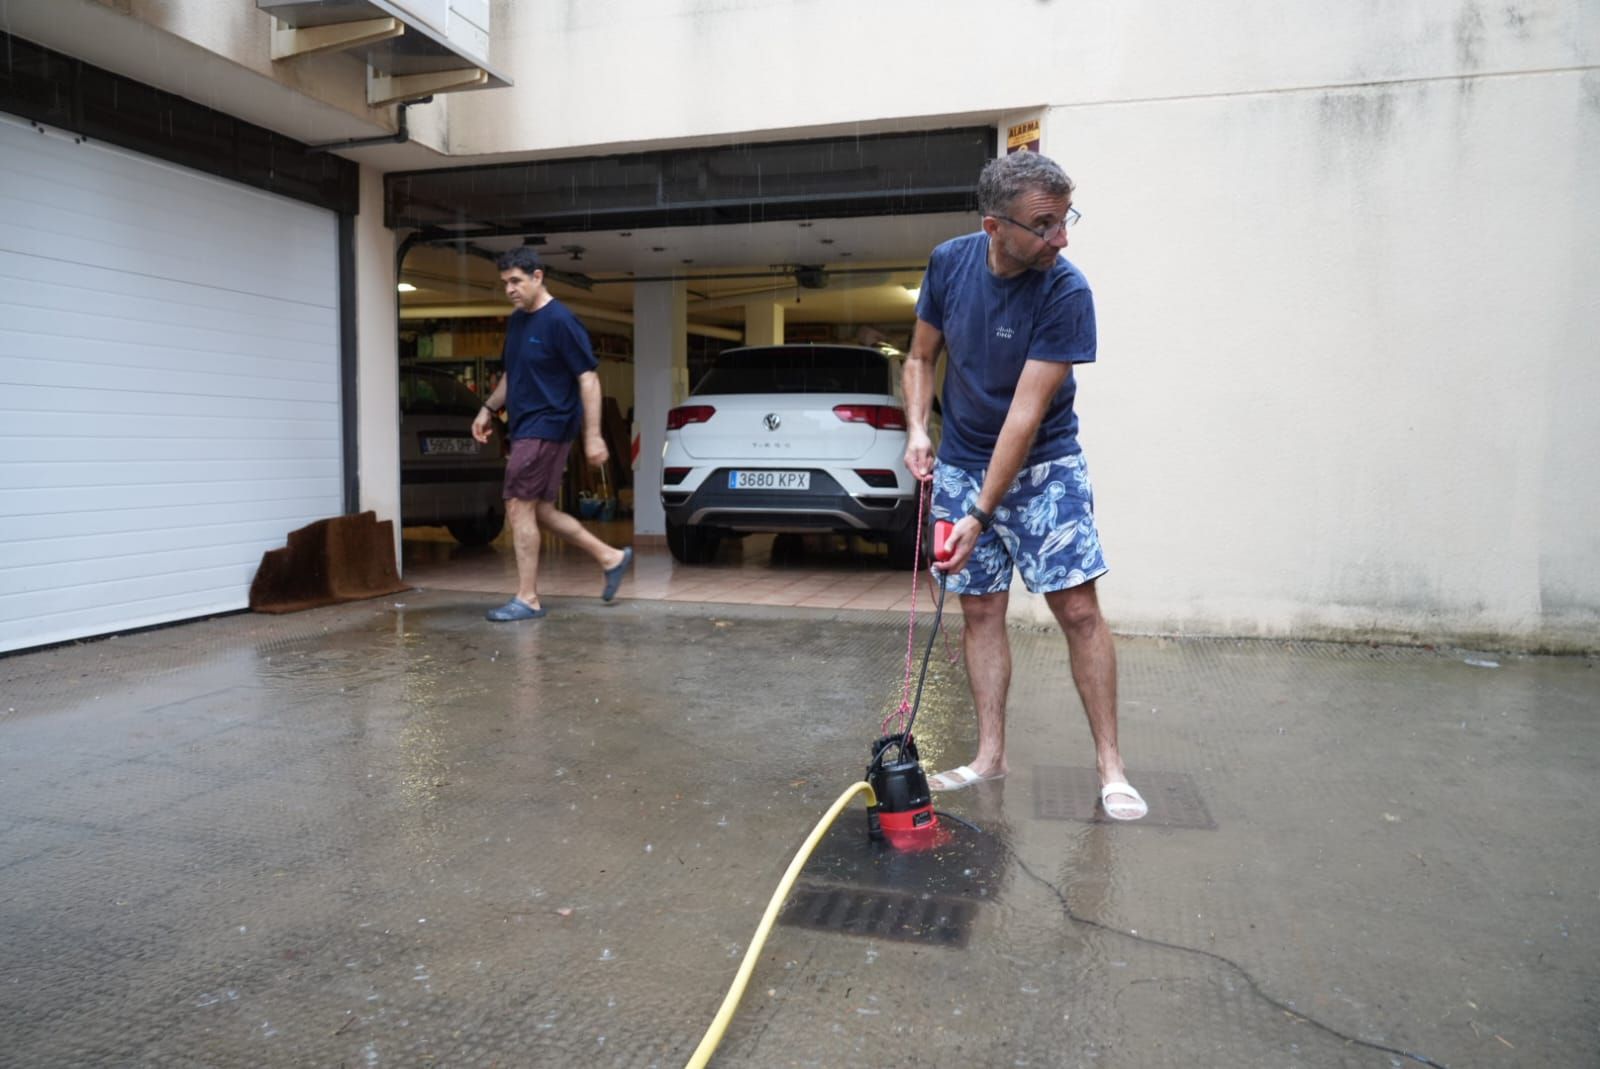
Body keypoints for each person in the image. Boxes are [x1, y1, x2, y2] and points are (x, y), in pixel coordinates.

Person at [901, 151, 1146, 821]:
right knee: (979, 610)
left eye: (1066, 220)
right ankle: (989, 756)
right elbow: (920, 357)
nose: (1060, 237)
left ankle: (1111, 766)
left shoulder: (1066, 290)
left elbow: (1025, 415)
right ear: (994, 226)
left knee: (1078, 612)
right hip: (959, 463)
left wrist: (980, 512)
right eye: (1045, 224)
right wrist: (918, 429)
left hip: (1044, 469)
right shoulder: (949, 263)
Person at [471, 247, 633, 622]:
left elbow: (588, 378)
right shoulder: (516, 322)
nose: (510, 289)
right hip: (526, 426)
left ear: (538, 277)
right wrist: (488, 409)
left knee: (516, 502)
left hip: (549, 425)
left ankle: (527, 598)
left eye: (516, 281)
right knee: (539, 510)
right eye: (505, 283)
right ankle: (611, 558)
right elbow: (513, 376)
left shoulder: (561, 321)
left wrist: (593, 436)